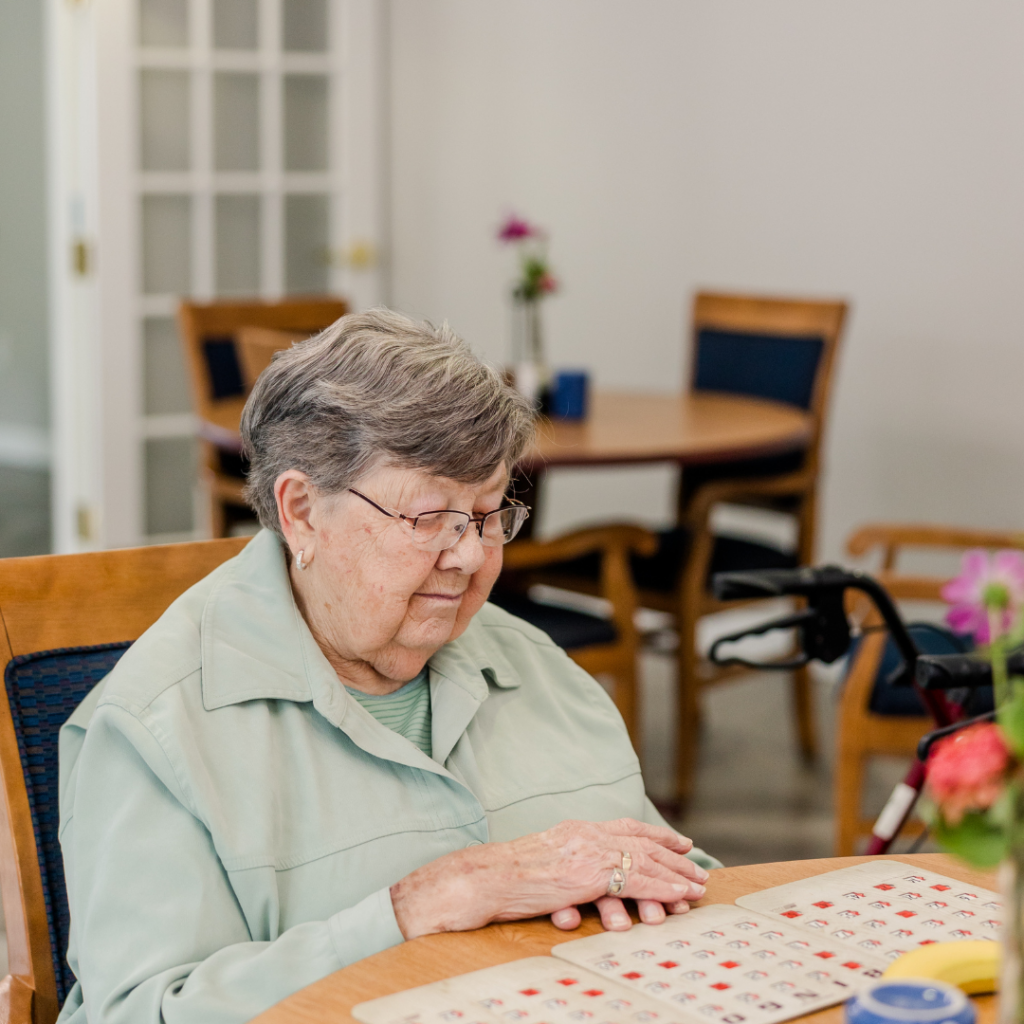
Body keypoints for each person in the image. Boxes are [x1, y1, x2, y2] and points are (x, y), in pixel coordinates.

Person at [57, 309, 717, 1024]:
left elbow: (678, 881)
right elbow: (141, 1012)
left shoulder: (536, 669)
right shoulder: (157, 729)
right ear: (303, 510)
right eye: (430, 516)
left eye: (489, 514)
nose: (467, 555)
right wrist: (408, 911)